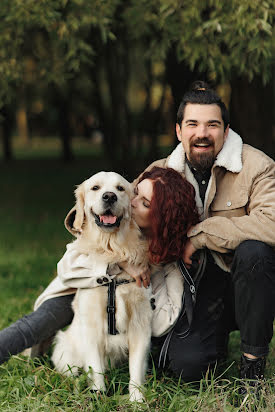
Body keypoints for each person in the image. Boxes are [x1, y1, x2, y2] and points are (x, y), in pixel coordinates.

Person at [0, 167, 202, 381]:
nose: (133, 202)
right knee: (39, 323)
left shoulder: (161, 254)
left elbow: (162, 320)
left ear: (160, 216)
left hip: (123, 317)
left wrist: (142, 296)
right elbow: (67, 269)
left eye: (144, 203)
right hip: (77, 286)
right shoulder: (99, 228)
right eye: (136, 194)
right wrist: (121, 263)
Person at [136, 81, 275, 389]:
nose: (202, 133)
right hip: (194, 291)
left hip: (247, 287)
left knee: (256, 252)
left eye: (212, 124)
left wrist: (199, 235)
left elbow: (271, 224)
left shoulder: (257, 166)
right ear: (178, 131)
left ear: (226, 132)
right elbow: (124, 219)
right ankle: (213, 340)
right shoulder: (159, 173)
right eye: (192, 124)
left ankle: (253, 374)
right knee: (189, 368)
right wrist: (132, 259)